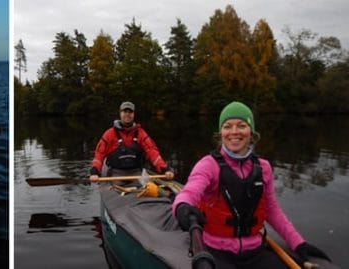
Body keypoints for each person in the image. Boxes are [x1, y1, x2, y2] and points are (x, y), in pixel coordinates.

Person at [172, 101, 331, 268]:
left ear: (251, 132)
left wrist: (298, 243)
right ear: (221, 133)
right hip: (217, 251)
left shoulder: (263, 167)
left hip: (255, 251)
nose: (234, 132)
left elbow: (272, 211)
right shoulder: (208, 165)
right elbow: (188, 193)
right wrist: (182, 207)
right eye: (227, 126)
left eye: (241, 125)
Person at [88, 101, 174, 182]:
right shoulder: (109, 133)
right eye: (125, 112)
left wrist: (164, 169)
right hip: (116, 174)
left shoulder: (141, 133)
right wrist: (94, 171)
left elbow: (152, 152)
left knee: (145, 188)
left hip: (136, 173)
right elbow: (99, 154)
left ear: (133, 114)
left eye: (130, 112)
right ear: (120, 113)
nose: (127, 114)